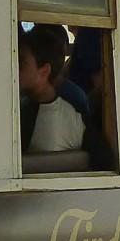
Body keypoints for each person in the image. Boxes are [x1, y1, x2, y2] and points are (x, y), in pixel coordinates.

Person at [18, 23, 86, 153]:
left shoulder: (74, 118)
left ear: (44, 71)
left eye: (21, 63)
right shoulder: (75, 118)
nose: (14, 68)